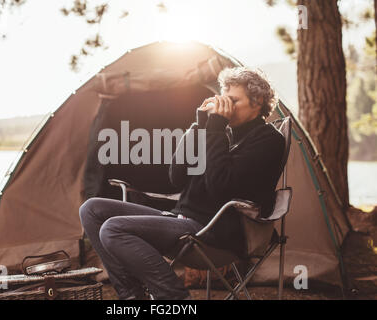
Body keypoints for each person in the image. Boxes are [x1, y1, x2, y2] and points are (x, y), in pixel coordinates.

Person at [79, 67, 285, 300]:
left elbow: (221, 185)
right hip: (182, 219)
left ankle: (176, 299)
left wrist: (215, 129)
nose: (225, 107)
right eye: (224, 100)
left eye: (233, 101)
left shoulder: (268, 141)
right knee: (92, 209)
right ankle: (132, 297)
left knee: (113, 229)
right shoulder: (220, 133)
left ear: (257, 102)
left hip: (215, 232)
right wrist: (199, 125)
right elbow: (176, 176)